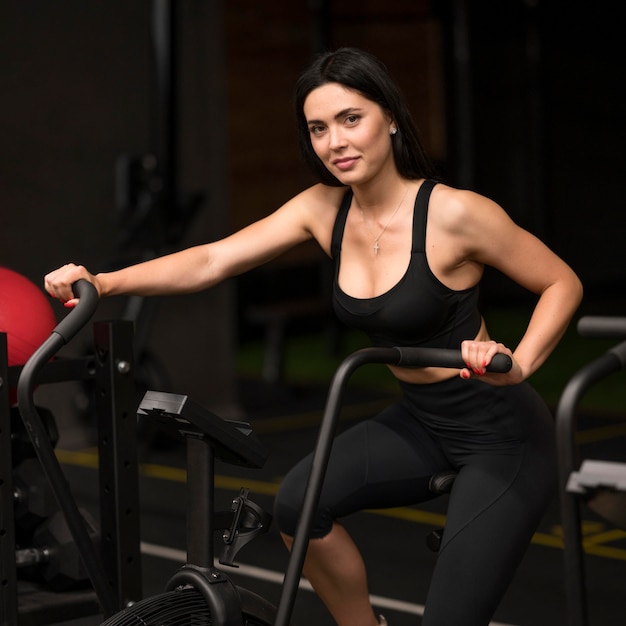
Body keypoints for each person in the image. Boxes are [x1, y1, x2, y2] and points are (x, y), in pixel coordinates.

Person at [45, 48, 582, 626]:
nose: (335, 142)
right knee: (300, 505)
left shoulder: (454, 214)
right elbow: (212, 260)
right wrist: (103, 280)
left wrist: (520, 362)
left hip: (502, 435)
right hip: (423, 420)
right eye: (319, 128)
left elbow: (560, 281)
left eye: (352, 119)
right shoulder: (323, 210)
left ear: (392, 118)